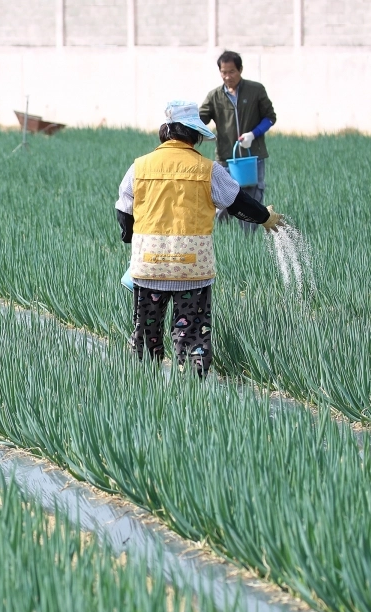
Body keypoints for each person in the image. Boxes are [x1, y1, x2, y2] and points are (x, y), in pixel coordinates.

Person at [114, 101, 282, 377]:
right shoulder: (208, 169)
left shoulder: (139, 167)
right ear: (194, 135)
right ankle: (192, 390)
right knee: (191, 333)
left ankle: (144, 387)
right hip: (192, 269)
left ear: (165, 132)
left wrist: (130, 238)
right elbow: (237, 203)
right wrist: (264, 217)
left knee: (146, 331)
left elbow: (123, 211)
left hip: (148, 267)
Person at [199, 51, 276, 234]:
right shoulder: (215, 96)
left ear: (240, 70)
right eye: (224, 72)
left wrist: (253, 134)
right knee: (221, 202)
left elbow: (270, 117)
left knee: (250, 201)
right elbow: (201, 118)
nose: (228, 76)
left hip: (251, 157)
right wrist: (185, 122)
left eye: (232, 71)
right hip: (225, 159)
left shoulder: (256, 90)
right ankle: (225, 240)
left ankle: (247, 242)